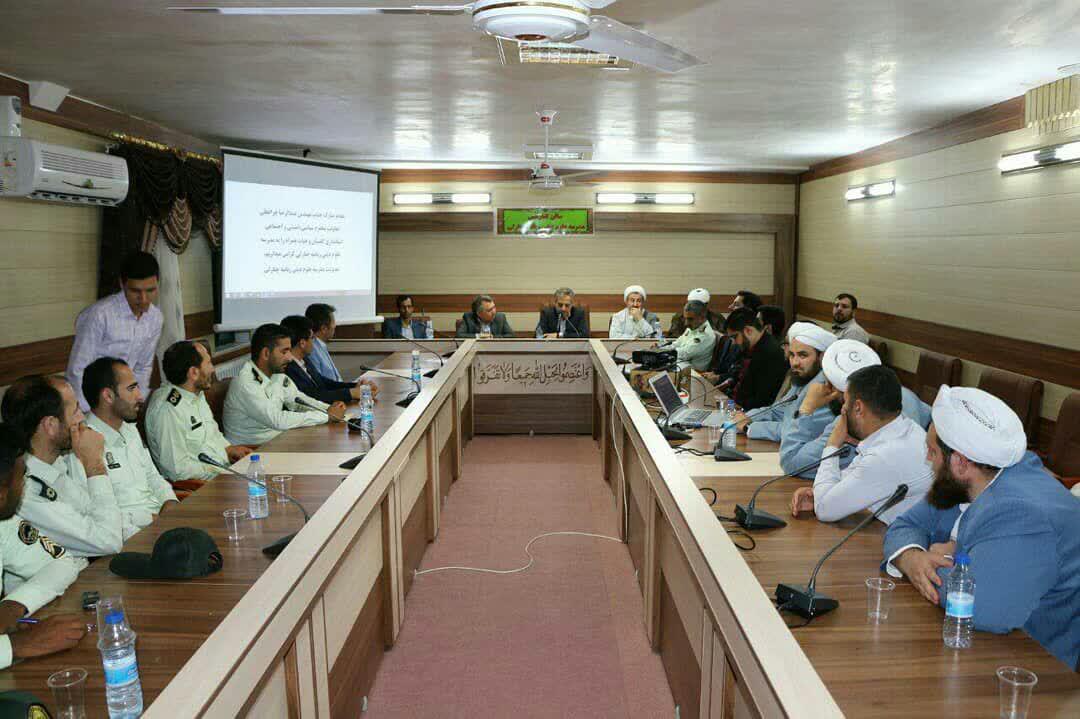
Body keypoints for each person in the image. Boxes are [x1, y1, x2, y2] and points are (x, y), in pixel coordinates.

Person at [883, 387, 1080, 669]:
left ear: (960, 463)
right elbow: (906, 525)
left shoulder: (1021, 512)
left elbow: (980, 606)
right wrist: (912, 558)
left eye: (932, 452)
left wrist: (949, 559)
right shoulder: (976, 475)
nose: (928, 459)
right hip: (984, 647)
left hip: (1034, 668)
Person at [790, 365, 933, 524]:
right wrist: (819, 493)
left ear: (858, 407)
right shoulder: (908, 428)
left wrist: (832, 444)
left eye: (845, 402)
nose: (843, 408)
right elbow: (852, 480)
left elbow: (824, 510)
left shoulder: (884, 456)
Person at [0, 376, 124, 557]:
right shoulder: (26, 492)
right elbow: (108, 541)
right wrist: (94, 465)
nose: (82, 418)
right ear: (50, 425)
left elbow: (95, 513)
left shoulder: (54, 464)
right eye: (76, 411)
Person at [0, 427, 88, 670]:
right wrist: (17, 645)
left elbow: (61, 561)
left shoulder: (4, 523)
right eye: (22, 475)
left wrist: (13, 605)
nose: (24, 484)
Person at [782, 339, 933, 479]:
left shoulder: (856, 417)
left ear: (832, 387)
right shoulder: (901, 393)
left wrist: (806, 409)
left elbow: (792, 463)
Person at [82, 357, 178, 534]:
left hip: (161, 522)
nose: (140, 396)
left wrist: (170, 501)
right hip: (132, 535)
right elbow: (95, 515)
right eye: (131, 388)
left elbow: (153, 476)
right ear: (108, 396)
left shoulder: (130, 429)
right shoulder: (83, 443)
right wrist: (150, 520)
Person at [66, 251, 164, 411]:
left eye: (150, 290)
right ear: (122, 284)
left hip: (125, 405)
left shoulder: (155, 318)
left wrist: (136, 401)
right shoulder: (99, 315)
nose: (144, 299)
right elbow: (77, 370)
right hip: (94, 404)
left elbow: (143, 367)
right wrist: (88, 414)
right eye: (136, 291)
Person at [742, 322, 841, 478]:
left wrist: (749, 427)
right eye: (792, 355)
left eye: (803, 355)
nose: (795, 362)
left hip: (806, 470)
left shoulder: (825, 388)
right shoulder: (803, 379)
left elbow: (792, 428)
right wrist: (745, 417)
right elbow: (778, 411)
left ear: (822, 357)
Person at [224, 324, 348, 446]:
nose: (290, 358)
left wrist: (329, 408)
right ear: (266, 353)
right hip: (251, 450)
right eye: (284, 352)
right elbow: (277, 420)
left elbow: (299, 401)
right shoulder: (246, 383)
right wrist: (326, 416)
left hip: (276, 441)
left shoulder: (277, 376)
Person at [146, 340, 252, 482]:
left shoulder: (196, 394)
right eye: (208, 363)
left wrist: (228, 449)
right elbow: (177, 470)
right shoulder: (168, 409)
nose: (212, 369)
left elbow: (213, 435)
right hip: (202, 485)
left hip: (224, 472)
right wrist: (220, 471)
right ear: (194, 372)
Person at [281, 315, 378, 405]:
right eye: (312, 338)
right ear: (302, 343)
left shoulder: (304, 359)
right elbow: (312, 396)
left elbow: (324, 383)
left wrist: (355, 386)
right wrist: (350, 393)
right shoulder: (288, 368)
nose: (314, 342)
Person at [723, 308, 787, 410]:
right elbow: (736, 377)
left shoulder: (771, 353)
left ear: (748, 330)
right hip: (731, 404)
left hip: (747, 413)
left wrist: (735, 407)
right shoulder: (748, 346)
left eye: (735, 337)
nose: (734, 342)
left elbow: (763, 400)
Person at [666, 300, 717, 372]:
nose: (686, 323)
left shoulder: (705, 335)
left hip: (693, 373)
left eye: (690, 319)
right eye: (685, 318)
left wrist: (662, 353)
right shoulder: (693, 328)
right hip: (680, 366)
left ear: (702, 317)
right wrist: (660, 349)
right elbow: (677, 343)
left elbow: (685, 353)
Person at [305, 303, 346, 382]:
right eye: (333, 322)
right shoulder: (312, 350)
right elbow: (320, 384)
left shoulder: (320, 345)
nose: (335, 326)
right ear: (324, 328)